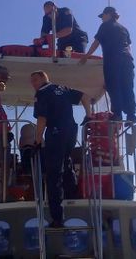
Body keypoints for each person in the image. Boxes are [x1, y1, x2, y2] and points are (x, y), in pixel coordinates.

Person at [31, 70, 91, 227]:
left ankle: (57, 217)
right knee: (66, 159)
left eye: (35, 80)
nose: (33, 84)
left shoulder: (42, 93)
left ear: (44, 79)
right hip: (71, 132)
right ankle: (73, 193)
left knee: (53, 173)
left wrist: (37, 141)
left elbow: (42, 119)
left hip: (56, 133)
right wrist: (89, 115)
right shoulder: (63, 88)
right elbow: (85, 96)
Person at [79, 6, 136, 124]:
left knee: (113, 85)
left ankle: (117, 114)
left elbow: (97, 42)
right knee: (127, 86)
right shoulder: (124, 28)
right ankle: (131, 114)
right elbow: (129, 46)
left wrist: (87, 56)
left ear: (109, 14)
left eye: (103, 16)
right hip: (127, 60)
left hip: (113, 59)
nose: (102, 19)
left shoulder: (105, 26)